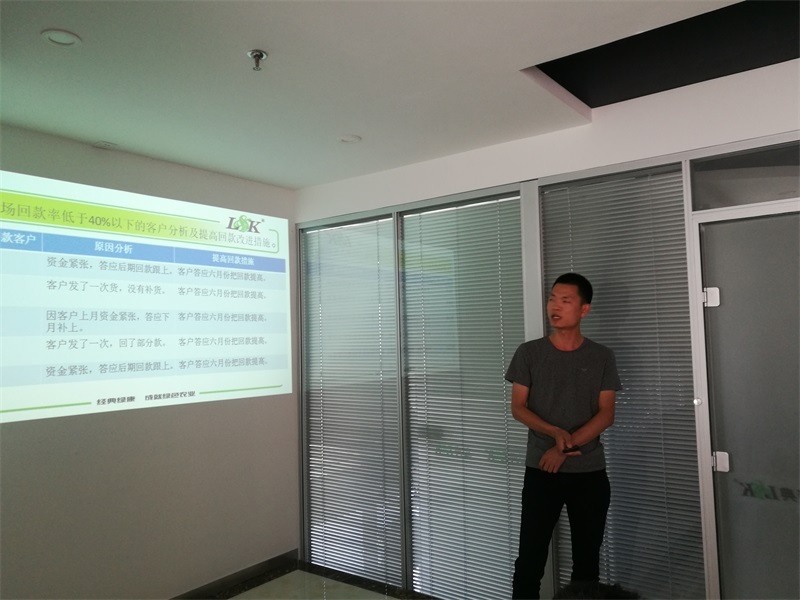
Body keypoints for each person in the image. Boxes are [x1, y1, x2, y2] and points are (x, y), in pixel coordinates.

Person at [505, 272, 621, 599]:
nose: (554, 306)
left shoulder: (601, 356)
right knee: (529, 560)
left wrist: (563, 448)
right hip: (542, 471)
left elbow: (606, 414)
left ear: (584, 309)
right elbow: (519, 408)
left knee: (587, 565)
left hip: (589, 473)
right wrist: (555, 432)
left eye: (565, 300)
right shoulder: (529, 353)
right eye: (552, 299)